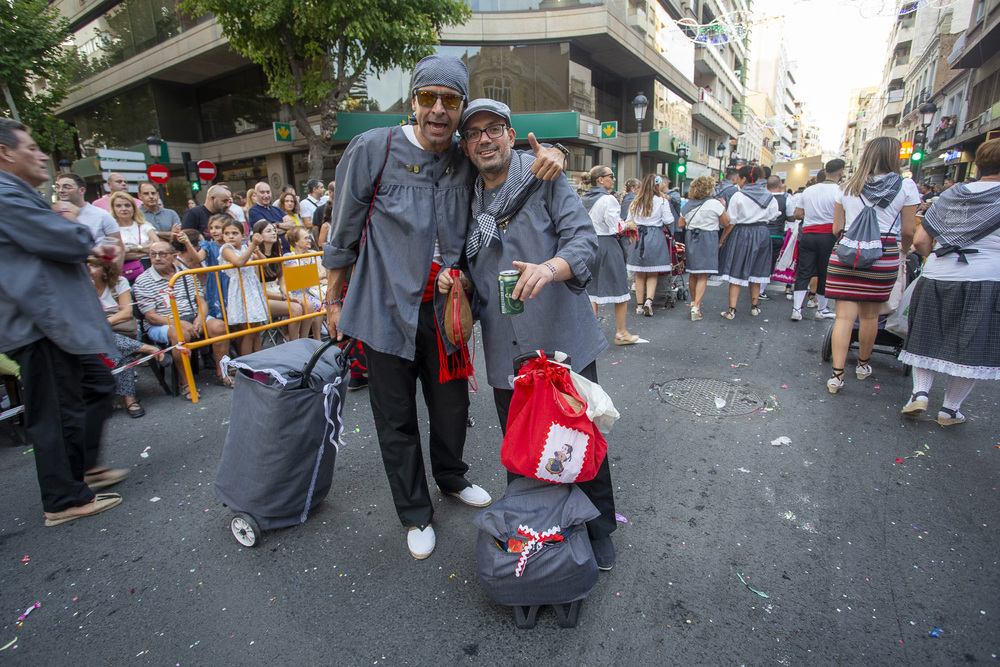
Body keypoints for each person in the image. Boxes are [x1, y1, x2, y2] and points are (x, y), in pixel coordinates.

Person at [322, 54, 565, 560]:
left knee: (452, 407)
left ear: (459, 108)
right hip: (382, 307)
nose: (438, 110)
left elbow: (509, 162)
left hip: (447, 309)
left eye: (450, 100)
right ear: (412, 102)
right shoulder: (374, 147)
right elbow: (343, 230)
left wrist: (558, 152)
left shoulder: (461, 155)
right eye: (428, 98)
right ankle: (415, 512)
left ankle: (451, 476)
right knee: (395, 416)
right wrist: (333, 298)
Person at [439, 98, 618, 570]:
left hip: (562, 338)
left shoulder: (546, 177)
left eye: (493, 128)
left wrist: (550, 268)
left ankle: (598, 529)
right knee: (524, 448)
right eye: (474, 133)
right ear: (466, 146)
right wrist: (455, 284)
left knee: (579, 438)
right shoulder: (468, 199)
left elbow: (583, 241)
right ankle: (541, 529)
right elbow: (465, 265)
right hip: (506, 350)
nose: (484, 139)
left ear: (511, 135)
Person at [0, 118, 125, 526]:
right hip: (39, 324)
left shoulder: (18, 193)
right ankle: (63, 498)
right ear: (6, 153)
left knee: (95, 386)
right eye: (32, 148)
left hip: (54, 322)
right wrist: (72, 224)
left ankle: (82, 470)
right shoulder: (6, 195)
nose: (41, 156)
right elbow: (65, 240)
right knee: (54, 411)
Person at [897, 138, 1000, 422]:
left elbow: (920, 240)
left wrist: (937, 260)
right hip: (987, 277)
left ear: (978, 164)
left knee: (925, 335)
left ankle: (920, 394)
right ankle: (950, 409)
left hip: (938, 274)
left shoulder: (951, 195)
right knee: (972, 346)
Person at [824, 138, 918, 393]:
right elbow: (909, 229)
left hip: (846, 253)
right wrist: (904, 251)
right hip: (883, 253)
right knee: (870, 316)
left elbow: (836, 229)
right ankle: (863, 365)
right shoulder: (906, 186)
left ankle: (836, 375)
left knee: (844, 317)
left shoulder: (846, 186)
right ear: (894, 156)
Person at [132, 241, 230, 397]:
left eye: (163, 254)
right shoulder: (143, 281)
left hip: (191, 315)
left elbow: (202, 302)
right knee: (180, 335)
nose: (157, 258)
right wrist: (178, 322)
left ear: (174, 256)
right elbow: (151, 316)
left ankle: (222, 374)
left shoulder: (185, 274)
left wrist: (199, 318)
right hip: (163, 322)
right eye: (153, 254)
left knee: (219, 327)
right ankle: (186, 383)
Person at [89, 261, 163, 418]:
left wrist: (103, 324)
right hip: (94, 334)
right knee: (118, 349)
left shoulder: (119, 282)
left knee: (115, 344)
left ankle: (112, 398)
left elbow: (127, 312)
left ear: (105, 268)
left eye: (94, 265)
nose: (88, 269)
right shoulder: (79, 286)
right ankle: (130, 399)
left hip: (121, 329)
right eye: (85, 265)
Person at [581, 166, 639, 345]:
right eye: (611, 176)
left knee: (592, 291)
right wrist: (628, 224)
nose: (613, 179)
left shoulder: (583, 199)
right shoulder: (608, 200)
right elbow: (615, 227)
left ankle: (590, 334)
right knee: (619, 288)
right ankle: (621, 332)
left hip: (590, 245)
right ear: (600, 180)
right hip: (608, 245)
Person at [717, 165, 779, 319]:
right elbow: (773, 217)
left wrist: (722, 240)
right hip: (762, 233)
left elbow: (731, 221)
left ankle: (731, 310)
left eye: (738, 179)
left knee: (736, 270)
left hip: (742, 233)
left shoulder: (739, 196)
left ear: (744, 178)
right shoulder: (769, 196)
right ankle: (754, 307)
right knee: (757, 270)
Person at [792, 159, 845, 321]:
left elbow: (798, 214)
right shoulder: (840, 191)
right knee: (824, 272)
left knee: (803, 271)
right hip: (829, 235)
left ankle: (796, 309)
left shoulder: (808, 191)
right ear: (841, 173)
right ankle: (822, 309)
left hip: (808, 234)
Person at [678, 174, 729, 320]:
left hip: (692, 239)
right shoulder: (715, 204)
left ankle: (694, 302)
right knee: (703, 275)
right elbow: (726, 222)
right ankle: (696, 307)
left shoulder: (688, 205)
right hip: (709, 239)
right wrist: (723, 207)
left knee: (693, 272)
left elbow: (681, 224)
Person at [626, 174, 676, 317]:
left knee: (640, 274)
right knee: (653, 272)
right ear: (657, 185)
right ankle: (649, 301)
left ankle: (639, 306)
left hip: (639, 238)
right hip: (655, 237)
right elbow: (668, 220)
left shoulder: (635, 201)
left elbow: (629, 221)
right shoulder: (661, 201)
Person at [253, 220, 310, 341]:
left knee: (308, 304)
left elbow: (283, 283)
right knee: (296, 308)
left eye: (274, 230)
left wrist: (288, 295)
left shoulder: (277, 255)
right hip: (264, 296)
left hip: (278, 291)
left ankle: (305, 340)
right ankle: (294, 342)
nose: (273, 233)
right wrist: (283, 297)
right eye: (268, 231)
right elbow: (258, 289)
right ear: (258, 235)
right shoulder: (255, 257)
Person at [219, 219, 268, 358]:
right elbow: (239, 262)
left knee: (256, 328)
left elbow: (264, 264)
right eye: (227, 233)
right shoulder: (226, 249)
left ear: (243, 235)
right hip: (240, 290)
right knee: (248, 330)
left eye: (235, 233)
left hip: (252, 288)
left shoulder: (244, 248)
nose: (231, 236)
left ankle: (261, 358)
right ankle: (247, 363)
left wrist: (256, 249)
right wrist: (252, 245)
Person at [283, 226, 325, 341]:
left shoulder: (313, 253)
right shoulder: (288, 257)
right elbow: (297, 280)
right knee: (318, 304)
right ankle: (315, 339)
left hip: (315, 290)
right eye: (305, 238)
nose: (309, 240)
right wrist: (314, 277)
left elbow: (323, 272)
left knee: (324, 300)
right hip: (298, 293)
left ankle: (318, 337)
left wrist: (308, 276)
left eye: (309, 238)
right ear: (296, 241)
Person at [54, 173, 120, 244]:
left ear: (82, 190)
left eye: (67, 187)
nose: (60, 190)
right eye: (57, 187)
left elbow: (118, 247)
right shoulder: (54, 215)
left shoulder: (102, 215)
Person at [111, 191, 159, 283]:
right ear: (113, 209)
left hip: (148, 269)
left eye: (127, 205)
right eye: (118, 206)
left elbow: (157, 247)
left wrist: (129, 249)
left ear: (133, 208)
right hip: (122, 272)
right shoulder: (111, 229)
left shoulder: (145, 226)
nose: (123, 209)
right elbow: (115, 253)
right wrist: (144, 251)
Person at [764, 175, 794, 296]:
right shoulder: (786, 199)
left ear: (767, 186)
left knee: (760, 261)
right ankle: (761, 288)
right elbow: (791, 217)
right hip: (777, 235)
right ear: (780, 185)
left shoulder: (763, 197)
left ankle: (757, 287)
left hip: (763, 234)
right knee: (771, 262)